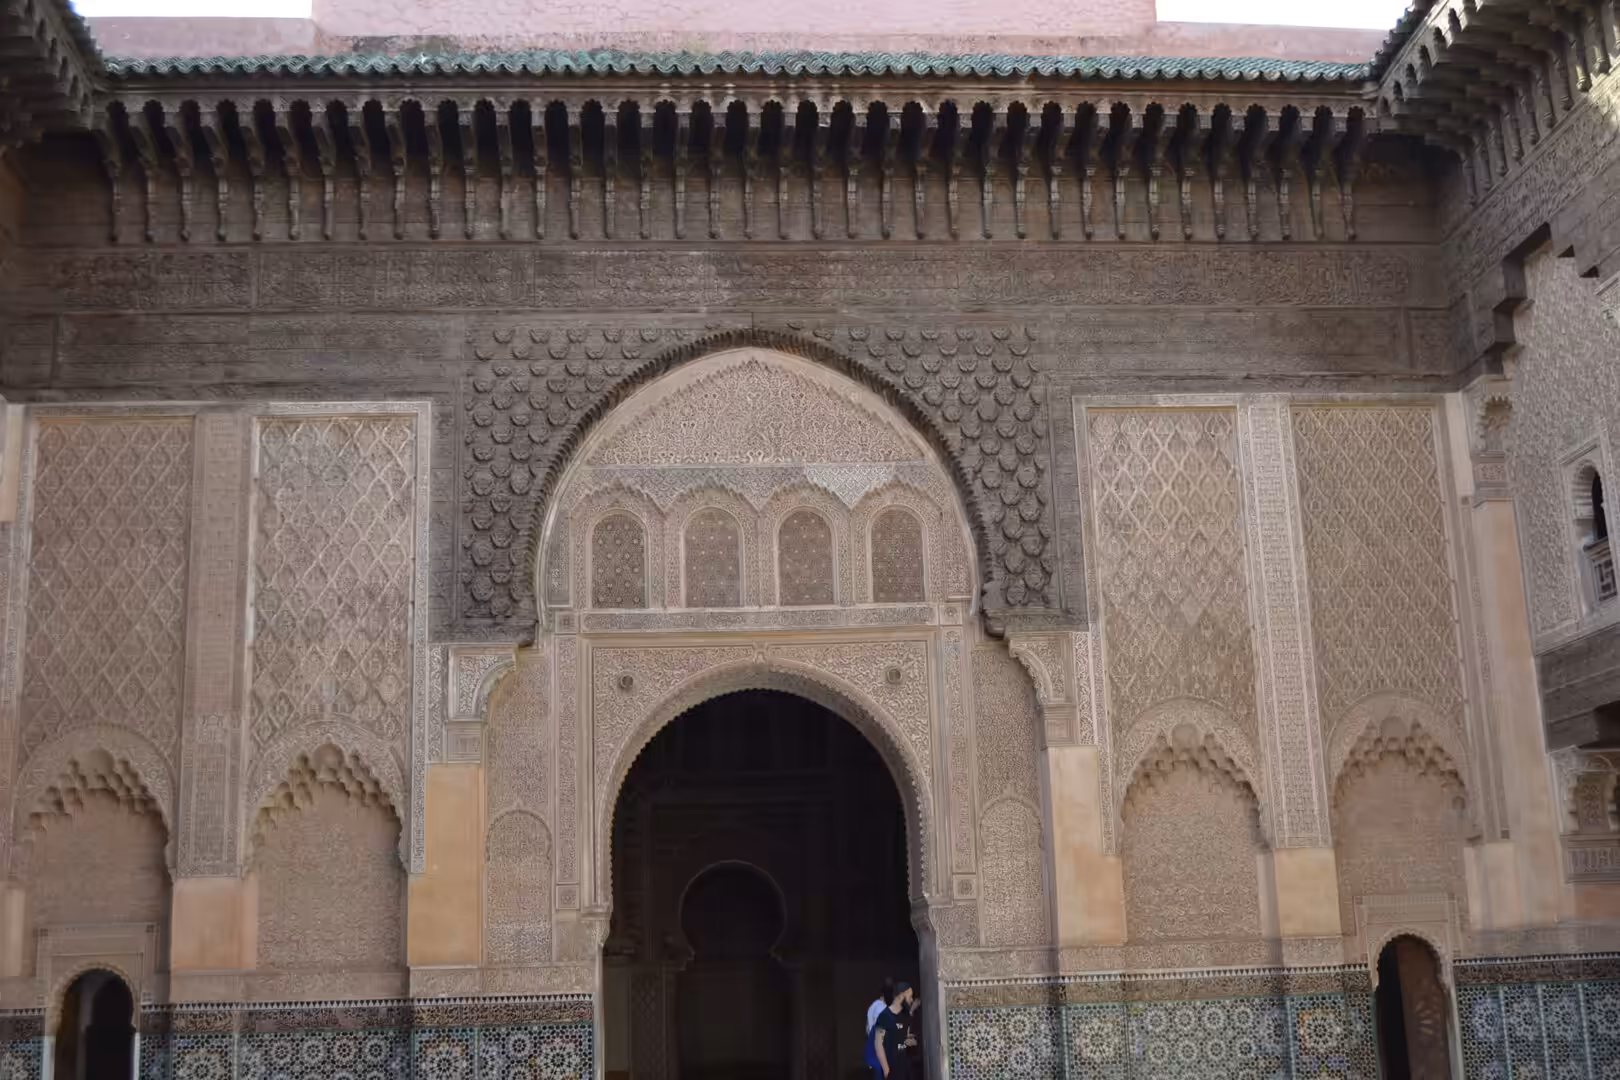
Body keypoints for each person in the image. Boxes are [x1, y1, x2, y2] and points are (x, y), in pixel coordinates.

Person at [868, 981, 914, 1079]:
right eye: (909, 997)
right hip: (891, 1071)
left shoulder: (906, 1017)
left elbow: (907, 1039)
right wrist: (886, 1070)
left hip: (906, 1071)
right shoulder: (884, 1016)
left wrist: (912, 1041)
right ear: (901, 996)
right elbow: (878, 1043)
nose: (911, 1000)